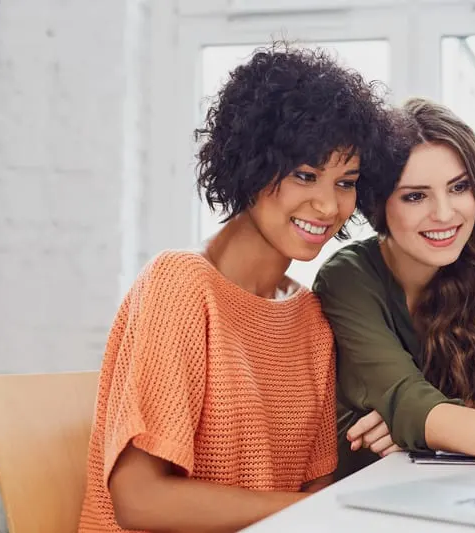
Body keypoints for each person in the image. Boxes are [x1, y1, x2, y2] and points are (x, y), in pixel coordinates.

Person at [78, 43, 394, 532]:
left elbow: (312, 494)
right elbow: (137, 501)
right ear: (250, 165)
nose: (329, 206)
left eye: (345, 182)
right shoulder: (181, 285)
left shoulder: (309, 319)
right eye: (305, 175)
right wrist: (324, 511)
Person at [313, 97, 475, 480]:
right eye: (415, 196)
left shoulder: (474, 270)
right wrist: (421, 422)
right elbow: (409, 400)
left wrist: (420, 431)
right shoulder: (348, 278)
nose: (446, 214)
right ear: (379, 206)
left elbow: (462, 414)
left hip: (447, 492)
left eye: (459, 187)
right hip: (358, 506)